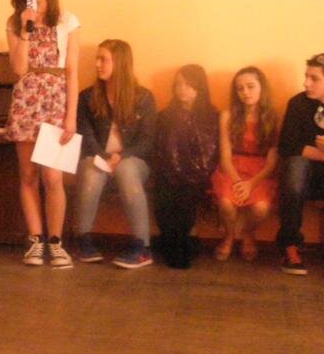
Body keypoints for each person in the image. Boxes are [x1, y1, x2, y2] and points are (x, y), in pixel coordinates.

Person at [4, 0, 80, 268]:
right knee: (28, 175)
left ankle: (56, 242)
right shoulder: (15, 22)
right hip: (26, 99)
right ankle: (35, 240)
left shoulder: (67, 20)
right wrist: (25, 29)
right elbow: (19, 68)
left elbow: (72, 71)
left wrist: (71, 117)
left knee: (53, 176)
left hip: (55, 99)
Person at [75, 39, 156, 269]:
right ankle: (83, 240)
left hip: (132, 160)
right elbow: (86, 135)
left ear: (119, 63)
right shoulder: (87, 97)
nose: (97, 64)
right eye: (97, 58)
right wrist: (103, 157)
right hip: (98, 157)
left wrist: (121, 156)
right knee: (92, 170)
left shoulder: (143, 98)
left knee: (126, 169)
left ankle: (142, 247)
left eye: (103, 59)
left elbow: (147, 141)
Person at [153, 65, 219, 269]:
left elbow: (210, 154)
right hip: (169, 174)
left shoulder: (211, 116)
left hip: (199, 176)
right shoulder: (165, 116)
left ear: (199, 87)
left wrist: (190, 175)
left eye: (188, 84)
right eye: (178, 84)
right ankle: (176, 244)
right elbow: (160, 150)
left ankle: (178, 245)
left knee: (185, 197)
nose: (181, 89)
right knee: (164, 198)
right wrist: (170, 173)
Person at [211, 66, 278, 262]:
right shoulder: (227, 115)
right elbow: (225, 156)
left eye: (250, 86)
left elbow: (272, 161)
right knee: (226, 203)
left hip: (260, 171)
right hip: (232, 167)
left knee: (261, 208)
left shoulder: (272, 117)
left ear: (261, 87)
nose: (245, 92)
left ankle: (248, 234)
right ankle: (229, 236)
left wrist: (251, 184)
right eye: (240, 88)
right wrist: (239, 182)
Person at [275, 53, 324, 275]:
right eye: (306, 77)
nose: (306, 83)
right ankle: (290, 245)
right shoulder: (298, 104)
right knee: (295, 167)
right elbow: (288, 146)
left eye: (314, 78)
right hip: (303, 175)